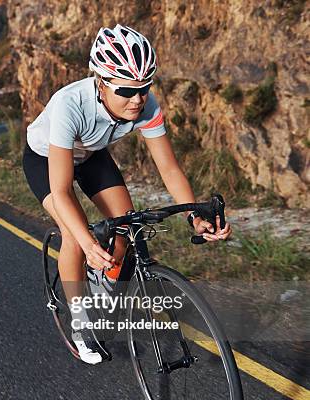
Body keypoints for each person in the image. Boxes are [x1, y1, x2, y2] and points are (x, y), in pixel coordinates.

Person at [22, 25, 231, 364]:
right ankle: (80, 321)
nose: (137, 99)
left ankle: (101, 277)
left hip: (90, 155)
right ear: (101, 82)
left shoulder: (146, 106)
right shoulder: (69, 104)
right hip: (46, 158)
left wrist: (195, 216)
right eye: (126, 90)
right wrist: (89, 244)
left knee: (126, 226)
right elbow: (61, 190)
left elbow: (170, 170)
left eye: (144, 88)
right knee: (75, 238)